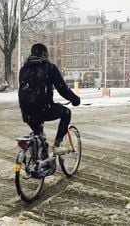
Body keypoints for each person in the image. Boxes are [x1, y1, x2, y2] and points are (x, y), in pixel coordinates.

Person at [18, 43, 80, 173]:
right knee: (66, 112)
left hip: (26, 111)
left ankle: (41, 162)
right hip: (43, 108)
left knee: (39, 136)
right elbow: (62, 88)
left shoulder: (24, 69)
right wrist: (75, 99)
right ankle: (57, 145)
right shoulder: (49, 67)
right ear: (45, 54)